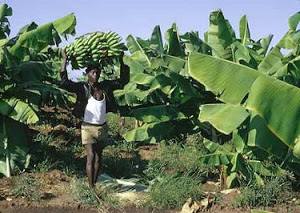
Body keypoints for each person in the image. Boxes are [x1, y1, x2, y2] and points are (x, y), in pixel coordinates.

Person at [60, 49, 129, 188]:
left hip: (102, 127)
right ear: (87, 74)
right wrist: (64, 61)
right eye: (92, 72)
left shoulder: (105, 87)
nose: (95, 75)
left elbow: (123, 81)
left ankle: (94, 184)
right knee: (90, 155)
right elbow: (64, 83)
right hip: (87, 127)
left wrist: (121, 61)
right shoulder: (82, 88)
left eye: (97, 72)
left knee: (99, 158)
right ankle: (91, 188)